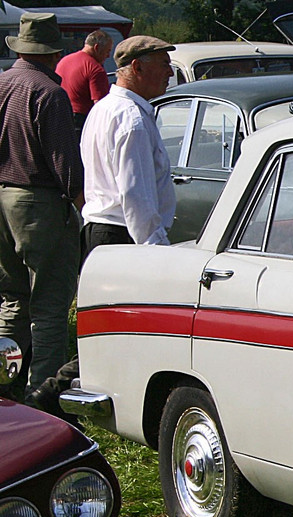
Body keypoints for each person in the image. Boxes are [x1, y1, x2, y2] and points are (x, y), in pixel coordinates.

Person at [0, 13, 84, 401]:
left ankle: (6, 378)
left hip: (1, 197)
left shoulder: (2, 83)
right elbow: (64, 162)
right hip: (37, 202)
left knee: (13, 299)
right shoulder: (49, 94)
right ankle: (43, 395)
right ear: (53, 53)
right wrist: (80, 206)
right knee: (49, 305)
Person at [81, 35, 176, 251]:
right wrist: (155, 246)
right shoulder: (132, 119)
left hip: (102, 232)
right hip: (122, 235)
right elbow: (136, 195)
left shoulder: (103, 108)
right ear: (137, 67)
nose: (170, 73)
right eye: (164, 65)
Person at [56, 29, 113, 135]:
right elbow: (101, 105)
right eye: (107, 51)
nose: (108, 55)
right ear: (96, 48)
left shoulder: (64, 61)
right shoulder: (96, 69)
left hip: (59, 116)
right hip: (81, 122)